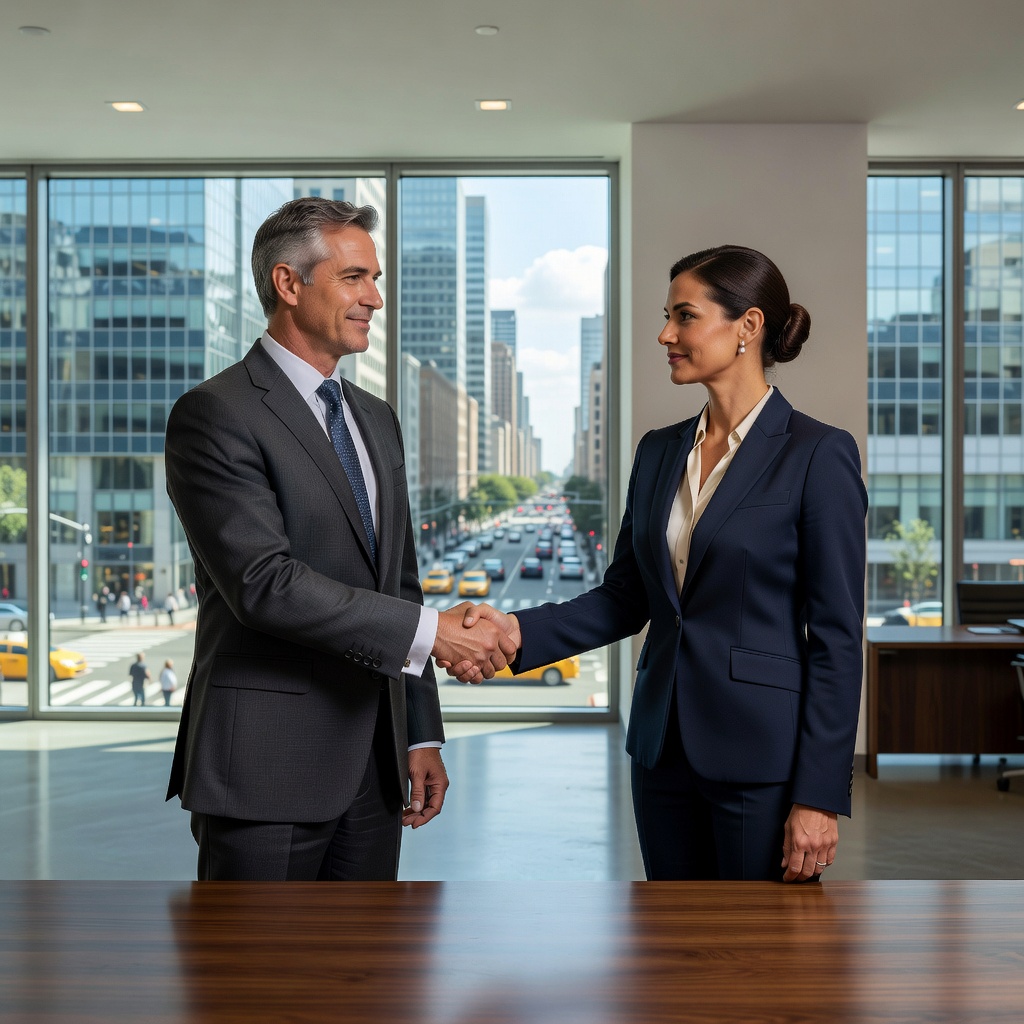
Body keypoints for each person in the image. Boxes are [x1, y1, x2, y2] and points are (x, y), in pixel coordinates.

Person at [449, 245, 867, 882]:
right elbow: (627, 595)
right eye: (667, 317)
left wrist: (819, 795)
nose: (665, 334)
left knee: (759, 962)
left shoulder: (818, 454)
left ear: (747, 327)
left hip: (763, 757)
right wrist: (515, 633)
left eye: (684, 316)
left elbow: (837, 639)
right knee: (671, 955)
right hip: (660, 751)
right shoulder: (659, 450)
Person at [163, 196, 517, 882]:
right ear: (288, 284)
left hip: (376, 767)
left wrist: (419, 731)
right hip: (266, 768)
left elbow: (399, 583)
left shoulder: (374, 418)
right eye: (355, 278)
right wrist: (436, 634)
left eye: (375, 279)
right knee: (261, 981)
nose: (375, 299)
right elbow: (264, 584)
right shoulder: (214, 414)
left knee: (369, 981)